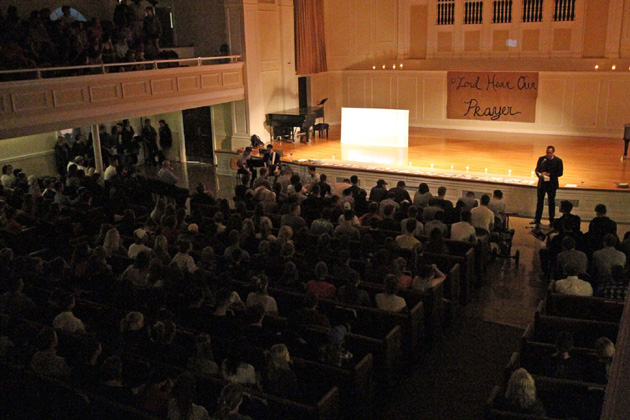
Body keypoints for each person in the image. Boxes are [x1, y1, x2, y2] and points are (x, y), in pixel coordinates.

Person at [532, 145, 563, 226]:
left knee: (551, 202)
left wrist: (549, 174)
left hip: (552, 184)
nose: (547, 154)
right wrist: (540, 175)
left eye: (549, 153)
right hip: (542, 184)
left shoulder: (558, 161)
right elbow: (537, 170)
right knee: (539, 202)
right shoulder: (542, 159)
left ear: (553, 153)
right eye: (547, 152)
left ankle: (551, 220)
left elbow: (560, 173)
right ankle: (537, 219)